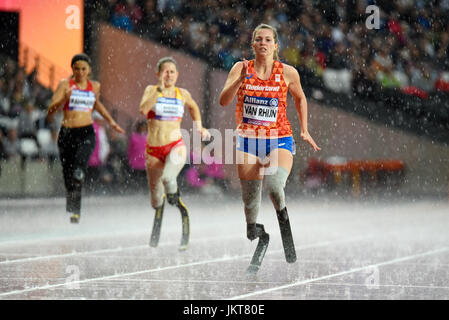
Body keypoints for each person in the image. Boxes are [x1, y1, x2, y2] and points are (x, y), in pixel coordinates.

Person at [219, 24, 320, 272]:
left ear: (276, 46)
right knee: (250, 205)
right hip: (248, 140)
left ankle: (284, 226)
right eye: (258, 39)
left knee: (275, 187)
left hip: (279, 138)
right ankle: (260, 235)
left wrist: (304, 129)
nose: (263, 43)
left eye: (268, 40)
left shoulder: (288, 72)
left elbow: (300, 97)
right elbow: (223, 100)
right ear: (253, 45)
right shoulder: (240, 68)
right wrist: (238, 81)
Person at [139, 56, 210, 251]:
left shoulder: (182, 93)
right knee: (155, 201)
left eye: (171, 71)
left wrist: (200, 127)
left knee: (169, 179)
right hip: (153, 151)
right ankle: (161, 200)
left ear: (177, 75)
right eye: (165, 71)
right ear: (158, 74)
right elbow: (144, 109)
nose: (168, 75)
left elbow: (194, 107)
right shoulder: (151, 90)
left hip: (175, 146)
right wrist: (160, 90)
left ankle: (176, 200)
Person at [47, 53, 124, 223]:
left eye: (84, 69)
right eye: (77, 69)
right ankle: (72, 201)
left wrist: (111, 122)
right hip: (67, 133)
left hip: (86, 132)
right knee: (68, 175)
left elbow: (98, 105)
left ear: (89, 70)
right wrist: (61, 101)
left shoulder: (94, 86)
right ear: (72, 69)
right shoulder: (65, 85)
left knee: (78, 169)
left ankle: (76, 211)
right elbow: (51, 108)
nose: (80, 72)